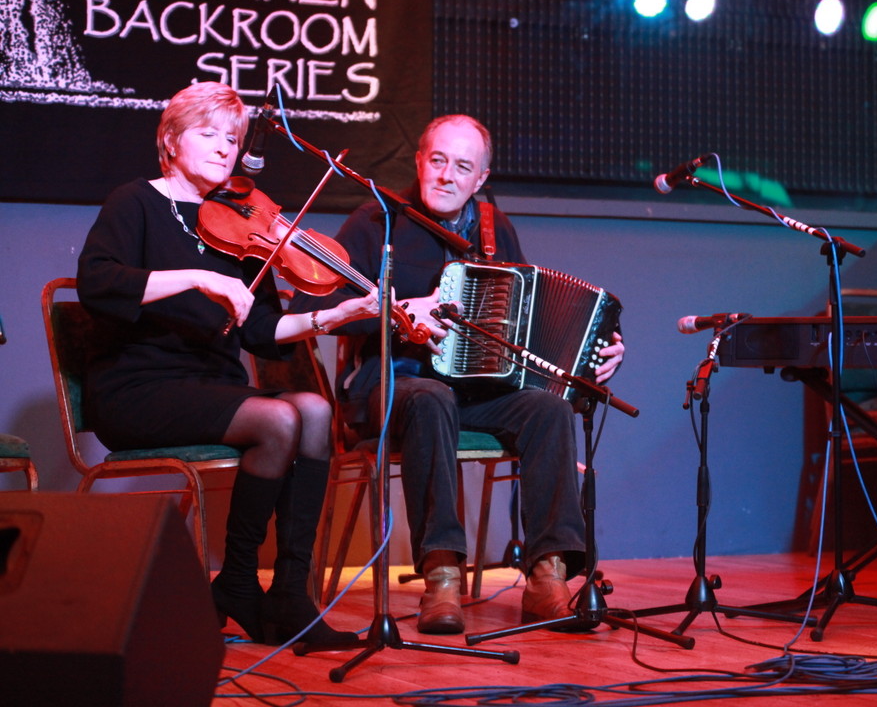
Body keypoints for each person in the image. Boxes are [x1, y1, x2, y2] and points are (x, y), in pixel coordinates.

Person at [291, 114, 624, 634]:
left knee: (549, 409)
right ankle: (442, 576)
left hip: (477, 393)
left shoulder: (495, 229)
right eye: (438, 160)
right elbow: (315, 306)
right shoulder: (376, 219)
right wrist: (400, 314)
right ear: (420, 161)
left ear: (480, 178)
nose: (447, 175)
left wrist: (592, 353)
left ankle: (548, 576)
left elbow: (526, 322)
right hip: (390, 387)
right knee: (431, 398)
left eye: (462, 167)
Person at [76, 81, 380, 644]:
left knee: (314, 410)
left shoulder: (239, 224)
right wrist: (196, 277)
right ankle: (238, 580)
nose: (225, 147)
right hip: (136, 388)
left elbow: (261, 331)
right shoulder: (134, 202)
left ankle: (290, 593)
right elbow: (97, 282)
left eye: (233, 138)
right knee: (280, 418)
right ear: (171, 141)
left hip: (212, 387)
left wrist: (331, 316)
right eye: (208, 133)